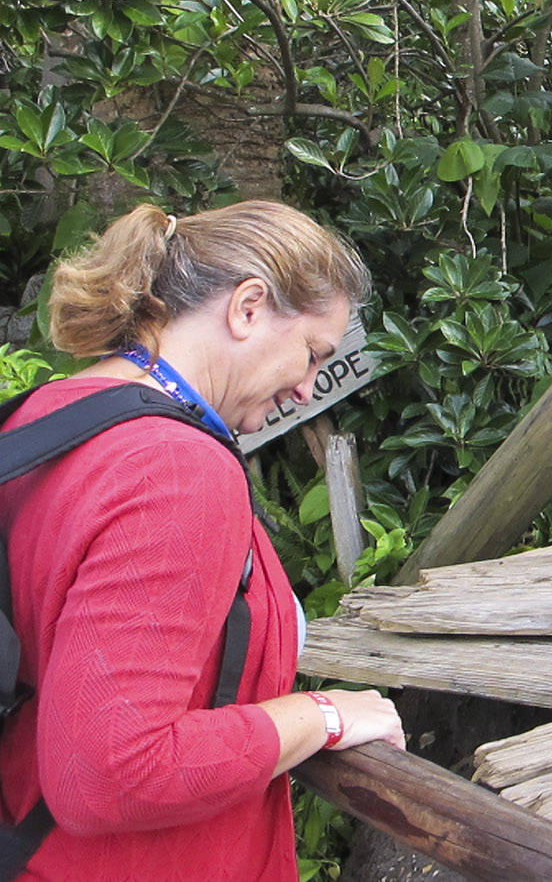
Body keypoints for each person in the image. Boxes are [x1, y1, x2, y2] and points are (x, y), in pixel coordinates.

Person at [0, 200, 405, 880]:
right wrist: (322, 715)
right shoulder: (177, 469)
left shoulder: (50, 413)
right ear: (248, 307)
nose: (308, 389)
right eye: (311, 353)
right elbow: (108, 774)